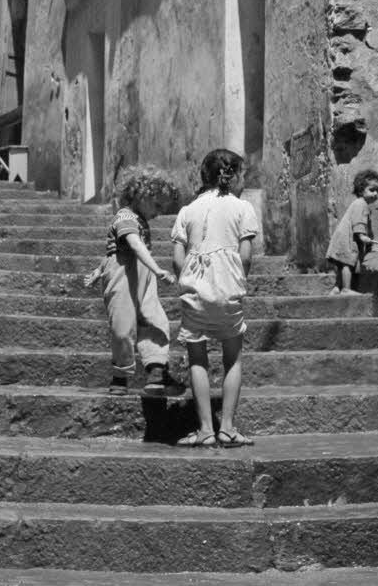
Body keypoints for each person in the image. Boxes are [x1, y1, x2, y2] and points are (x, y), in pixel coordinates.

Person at [170, 149, 260, 448]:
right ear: (232, 176)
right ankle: (228, 427)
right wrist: (235, 279)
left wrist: (192, 281)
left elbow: (177, 258)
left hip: (195, 289)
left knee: (197, 357)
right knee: (232, 356)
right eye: (242, 174)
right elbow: (245, 255)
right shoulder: (243, 208)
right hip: (227, 289)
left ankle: (206, 429)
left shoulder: (188, 210)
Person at [101, 166, 179, 396]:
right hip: (123, 273)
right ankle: (120, 374)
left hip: (142, 273)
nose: (159, 213)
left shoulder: (141, 219)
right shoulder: (125, 216)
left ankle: (156, 370)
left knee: (155, 318)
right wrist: (157, 269)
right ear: (140, 194)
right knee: (122, 325)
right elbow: (133, 244)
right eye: (157, 205)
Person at [326, 168, 378, 295]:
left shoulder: (358, 203)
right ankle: (346, 289)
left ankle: (337, 288)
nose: (375, 194)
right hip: (348, 239)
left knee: (342, 263)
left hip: (343, 238)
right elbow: (358, 222)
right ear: (362, 190)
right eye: (372, 190)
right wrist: (362, 236)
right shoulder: (361, 204)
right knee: (347, 263)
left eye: (377, 191)